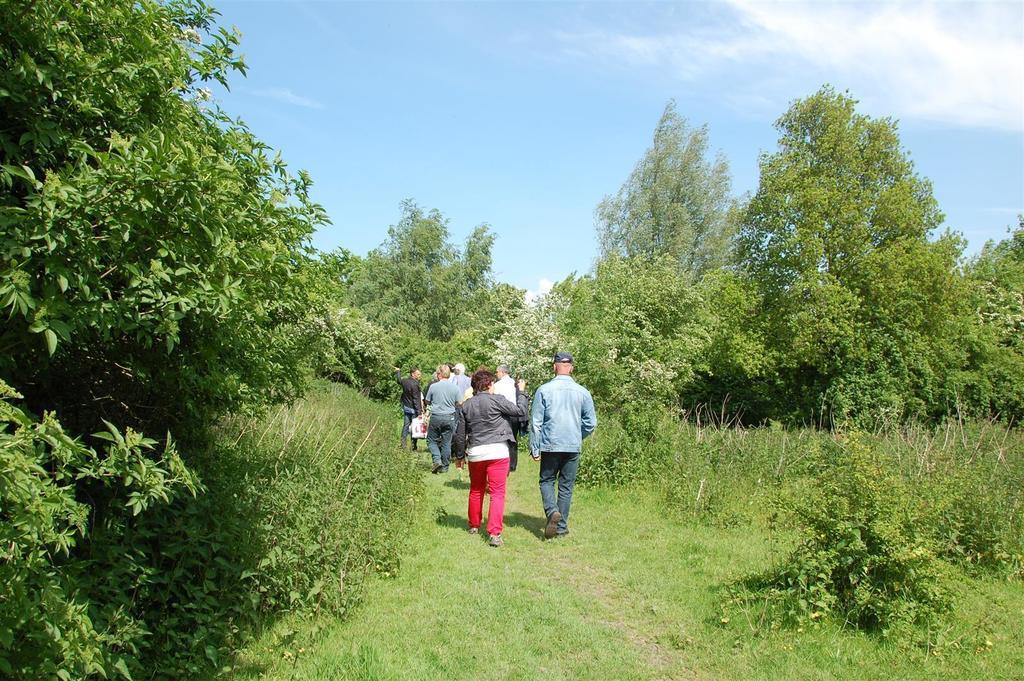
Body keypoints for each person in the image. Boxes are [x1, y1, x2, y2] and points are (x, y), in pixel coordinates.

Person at [530, 352, 597, 539]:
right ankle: (561, 528)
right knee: (566, 487)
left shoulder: (544, 390)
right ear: (572, 368)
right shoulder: (583, 392)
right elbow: (591, 423)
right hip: (572, 445)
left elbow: (536, 422)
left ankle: (552, 511)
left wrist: (535, 448)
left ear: (554, 367)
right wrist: (577, 435)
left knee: (546, 480)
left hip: (551, 444)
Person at [461, 368, 528, 547]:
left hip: (476, 452)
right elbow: (520, 411)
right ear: (489, 384)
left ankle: (474, 525)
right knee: (497, 493)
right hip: (498, 451)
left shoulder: (467, 405)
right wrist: (521, 393)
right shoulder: (498, 400)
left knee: (476, 489)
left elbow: (460, 433)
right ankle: (494, 533)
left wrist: (459, 455)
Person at [424, 364, 463, 474]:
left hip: (436, 416)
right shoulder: (455, 387)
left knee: (431, 440)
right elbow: (460, 402)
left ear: (439, 374)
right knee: (447, 442)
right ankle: (445, 467)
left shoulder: (433, 386)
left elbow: (427, 401)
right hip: (449, 417)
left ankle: (437, 459)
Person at [493, 365, 521, 472]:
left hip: (503, 414)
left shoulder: (498, 385)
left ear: (503, 372)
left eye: (497, 372)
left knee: (503, 439)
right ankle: (513, 464)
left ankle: (503, 463)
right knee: (513, 439)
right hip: (515, 413)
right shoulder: (514, 384)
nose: (496, 374)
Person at [395, 366, 423, 451]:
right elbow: (416, 399)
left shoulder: (405, 381)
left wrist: (398, 372)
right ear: (413, 374)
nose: (419, 375)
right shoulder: (415, 384)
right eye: (418, 374)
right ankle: (414, 446)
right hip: (413, 408)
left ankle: (403, 443)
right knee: (414, 427)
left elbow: (398, 381)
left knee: (406, 425)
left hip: (406, 407)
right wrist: (419, 412)